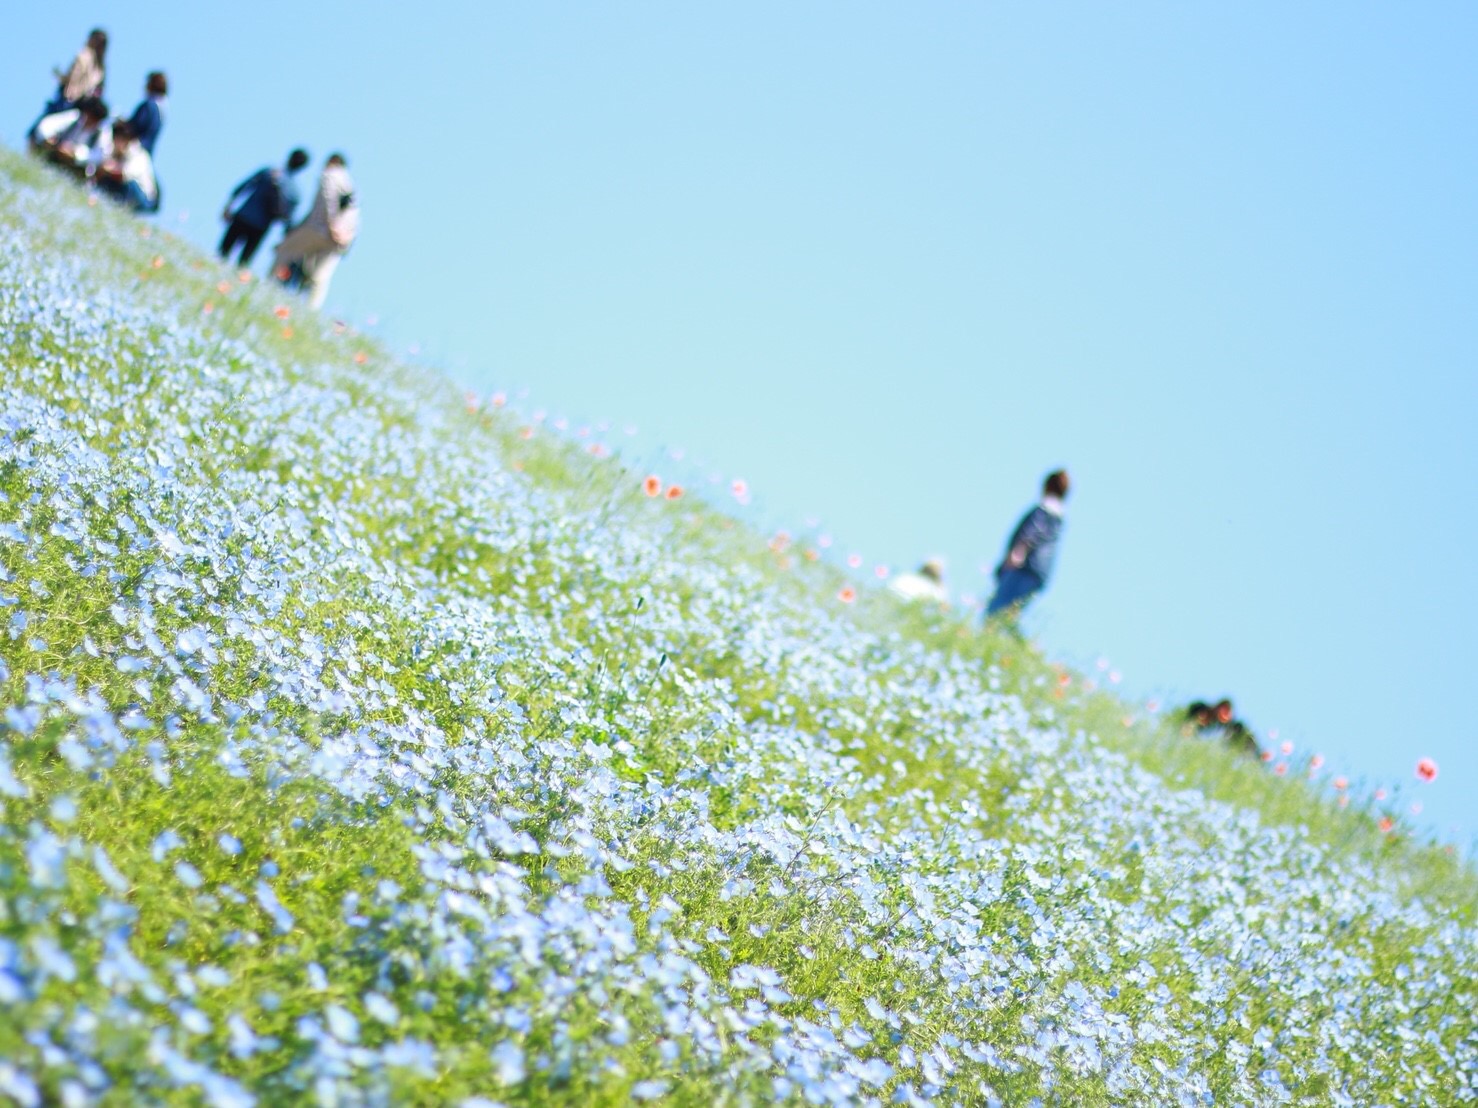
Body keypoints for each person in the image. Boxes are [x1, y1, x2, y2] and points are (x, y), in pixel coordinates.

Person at [272, 153, 359, 310]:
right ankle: (311, 310)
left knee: (284, 252)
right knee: (319, 277)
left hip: (320, 229)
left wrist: (332, 226)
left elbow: (328, 200)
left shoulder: (330, 175)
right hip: (340, 239)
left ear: (333, 161)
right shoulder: (351, 185)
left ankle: (269, 287)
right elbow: (353, 216)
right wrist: (347, 237)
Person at [985, 470, 1069, 621]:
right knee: (1010, 614)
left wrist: (1018, 552)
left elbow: (1033, 531)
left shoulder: (1044, 510)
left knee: (996, 611)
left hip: (1024, 567)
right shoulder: (1059, 519)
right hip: (1039, 574)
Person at [220, 149, 310, 267]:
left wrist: (228, 206)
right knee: (244, 262)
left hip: (244, 216)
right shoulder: (295, 192)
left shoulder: (269, 172)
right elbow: (288, 220)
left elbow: (244, 186)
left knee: (222, 254)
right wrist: (283, 241)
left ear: (289, 157)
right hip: (261, 227)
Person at [27, 29, 108, 142]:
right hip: (70, 97)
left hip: (81, 103)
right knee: (48, 123)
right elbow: (74, 77)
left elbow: (98, 87)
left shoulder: (100, 67)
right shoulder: (85, 56)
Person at [30, 96, 110, 176]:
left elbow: (99, 156)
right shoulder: (74, 117)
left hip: (78, 167)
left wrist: (75, 153)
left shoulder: (102, 131)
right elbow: (46, 125)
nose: (90, 121)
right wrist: (52, 140)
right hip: (57, 153)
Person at [93, 119, 159, 214]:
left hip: (144, 199)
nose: (117, 142)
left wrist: (108, 169)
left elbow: (125, 176)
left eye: (120, 139)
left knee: (129, 184)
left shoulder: (139, 155)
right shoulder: (114, 152)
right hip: (124, 190)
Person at [127, 71, 168, 156]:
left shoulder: (150, 106)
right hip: (146, 155)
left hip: (135, 151)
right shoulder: (162, 108)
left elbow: (135, 126)